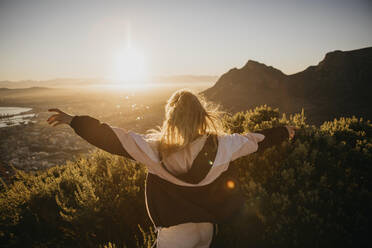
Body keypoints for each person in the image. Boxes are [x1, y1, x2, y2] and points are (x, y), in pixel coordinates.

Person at [47, 89, 296, 248]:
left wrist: (74, 121)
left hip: (176, 235)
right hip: (207, 230)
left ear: (171, 119)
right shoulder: (224, 145)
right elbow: (256, 140)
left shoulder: (155, 150)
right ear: (202, 116)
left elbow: (109, 137)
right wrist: (284, 131)